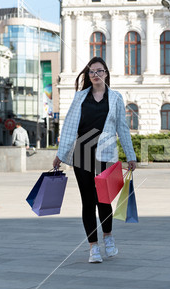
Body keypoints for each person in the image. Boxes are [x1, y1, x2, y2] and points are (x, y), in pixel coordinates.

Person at [53, 57, 137, 263]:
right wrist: (60, 155)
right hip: (82, 154)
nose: (95, 75)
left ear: (106, 74)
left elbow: (122, 129)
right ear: (88, 76)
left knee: (104, 200)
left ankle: (108, 237)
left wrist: (131, 155)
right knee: (88, 202)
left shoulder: (115, 98)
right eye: (91, 72)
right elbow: (69, 128)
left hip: (106, 155)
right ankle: (93, 248)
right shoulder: (80, 97)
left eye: (99, 71)